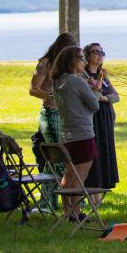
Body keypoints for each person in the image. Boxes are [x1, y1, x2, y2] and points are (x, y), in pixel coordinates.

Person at [51, 45, 100, 222]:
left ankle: (67, 212)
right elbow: (94, 106)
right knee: (80, 177)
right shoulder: (77, 81)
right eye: (81, 58)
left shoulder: (58, 82)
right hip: (83, 134)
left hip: (66, 135)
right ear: (71, 61)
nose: (85, 61)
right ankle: (76, 214)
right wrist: (94, 90)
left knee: (69, 175)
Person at [29, 32, 77, 211]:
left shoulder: (66, 66)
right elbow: (33, 89)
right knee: (56, 155)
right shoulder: (45, 64)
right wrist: (51, 95)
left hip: (65, 114)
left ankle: (64, 196)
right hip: (50, 113)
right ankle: (48, 200)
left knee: (65, 156)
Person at [83, 42, 119, 203]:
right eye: (95, 52)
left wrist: (104, 97)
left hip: (105, 117)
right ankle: (91, 193)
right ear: (87, 55)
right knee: (94, 152)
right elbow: (91, 98)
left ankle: (102, 189)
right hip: (92, 118)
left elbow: (115, 96)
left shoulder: (103, 76)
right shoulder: (84, 77)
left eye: (101, 52)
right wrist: (101, 97)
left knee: (105, 151)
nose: (99, 55)